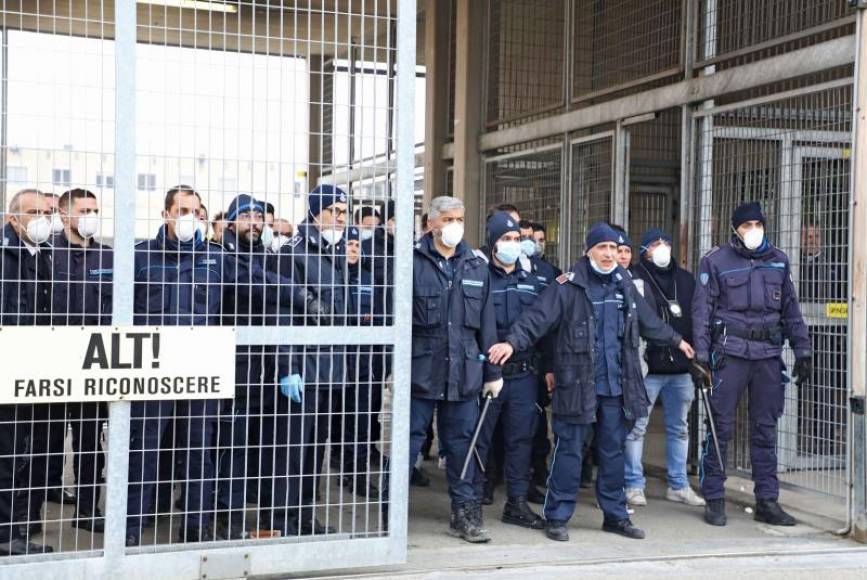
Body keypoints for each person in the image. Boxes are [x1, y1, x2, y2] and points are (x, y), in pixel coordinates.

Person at [127, 185, 317, 546]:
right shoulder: (141, 258)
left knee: (200, 455)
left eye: (195, 211)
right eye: (181, 210)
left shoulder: (214, 259)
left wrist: (302, 295)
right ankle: (132, 530)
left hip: (200, 372)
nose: (189, 217)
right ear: (166, 213)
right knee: (144, 453)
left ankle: (195, 530)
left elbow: (259, 281)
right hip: (152, 372)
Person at [488, 223, 694, 542]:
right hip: (578, 385)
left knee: (612, 451)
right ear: (589, 252)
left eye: (614, 249)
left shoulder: (623, 283)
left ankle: (615, 516)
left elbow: (647, 320)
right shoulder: (568, 286)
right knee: (569, 450)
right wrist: (511, 343)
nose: (609, 254)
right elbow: (536, 320)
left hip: (614, 385)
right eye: (603, 248)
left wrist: (676, 340)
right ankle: (557, 516)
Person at [693, 202, 811, 527]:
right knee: (720, 427)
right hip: (729, 354)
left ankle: (767, 500)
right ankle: (714, 497)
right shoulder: (715, 261)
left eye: (757, 224)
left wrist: (803, 350)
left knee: (765, 429)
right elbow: (702, 311)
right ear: (735, 230)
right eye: (746, 226)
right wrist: (701, 357)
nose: (753, 231)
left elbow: (790, 308)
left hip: (767, 356)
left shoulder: (779, 261)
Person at [410, 195, 502, 543]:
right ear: (431, 223)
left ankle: (465, 513)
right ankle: (389, 515)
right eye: (448, 219)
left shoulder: (475, 265)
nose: (455, 226)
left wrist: (493, 373)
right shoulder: (411, 261)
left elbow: (488, 324)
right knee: (408, 442)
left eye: (460, 219)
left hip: (465, 372)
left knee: (463, 445)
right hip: (420, 371)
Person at [272, 184, 350, 536]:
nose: (341, 218)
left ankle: (304, 518)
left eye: (345, 212)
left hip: (329, 368)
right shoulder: (295, 252)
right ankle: (282, 521)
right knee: (291, 452)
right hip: (303, 367)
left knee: (314, 452)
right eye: (334, 210)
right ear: (317, 212)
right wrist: (287, 368)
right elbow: (281, 315)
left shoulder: (337, 253)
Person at [472, 212, 547, 530]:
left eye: (517, 240)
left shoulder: (531, 281)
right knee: (479, 440)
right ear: (492, 243)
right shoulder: (479, 278)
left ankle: (515, 503)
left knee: (521, 440)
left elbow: (542, 326)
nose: (513, 245)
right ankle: (470, 502)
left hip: (523, 375)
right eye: (506, 239)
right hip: (487, 375)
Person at [624, 229, 705, 508]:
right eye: (656, 244)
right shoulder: (634, 277)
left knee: (679, 428)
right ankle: (633, 484)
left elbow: (696, 316)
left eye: (666, 243)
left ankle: (678, 485)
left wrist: (699, 354)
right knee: (636, 427)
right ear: (644, 249)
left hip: (681, 369)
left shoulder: (685, 279)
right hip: (648, 368)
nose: (662, 248)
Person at [52, 188, 113, 533]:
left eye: (95, 209)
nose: (91, 215)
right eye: (84, 209)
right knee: (44, 441)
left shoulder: (108, 258)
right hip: (53, 363)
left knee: (91, 442)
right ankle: (27, 516)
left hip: (93, 364)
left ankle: (88, 510)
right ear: (64, 215)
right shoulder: (48, 255)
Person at [0, 189, 55, 555]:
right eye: (32, 212)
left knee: (23, 453)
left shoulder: (44, 254)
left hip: (34, 368)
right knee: (7, 457)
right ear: (13, 220)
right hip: (10, 367)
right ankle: (6, 537)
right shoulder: (5, 258)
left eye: (46, 211)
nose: (42, 218)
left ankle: (15, 529)